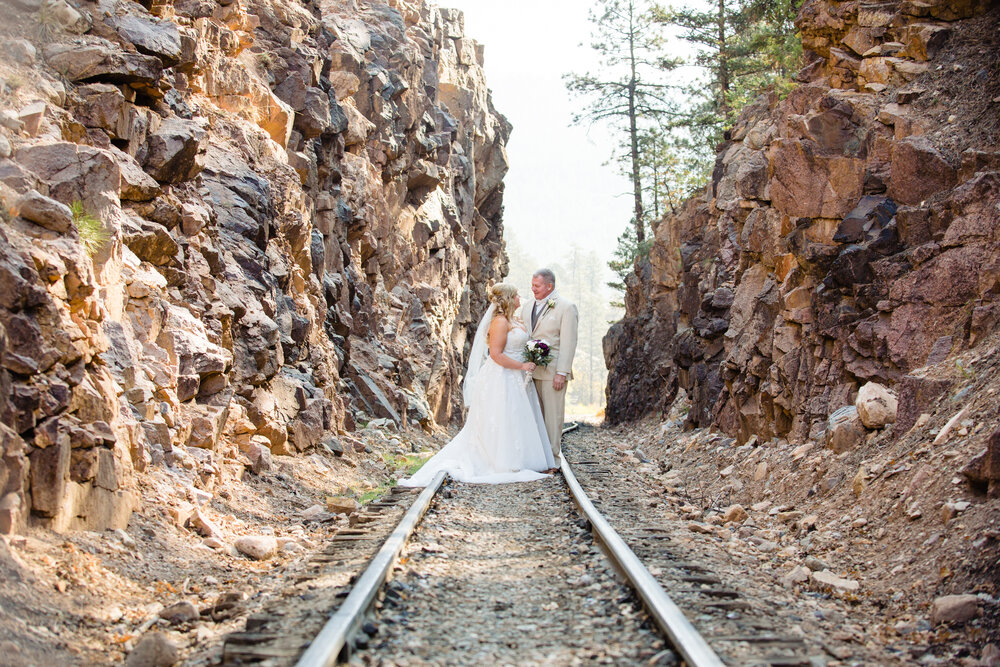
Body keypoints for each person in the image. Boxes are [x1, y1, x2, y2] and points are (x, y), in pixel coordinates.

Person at [399, 283, 556, 486]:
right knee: (502, 417)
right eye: (516, 295)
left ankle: (522, 458)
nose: (520, 298)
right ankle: (502, 461)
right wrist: (522, 365)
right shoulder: (499, 322)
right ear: (508, 298)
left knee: (517, 416)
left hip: (517, 377)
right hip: (502, 376)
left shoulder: (513, 321)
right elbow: (496, 355)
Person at [520, 268, 578, 459]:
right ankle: (537, 456)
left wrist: (562, 372)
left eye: (537, 286)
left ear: (549, 286)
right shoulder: (527, 306)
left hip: (553, 371)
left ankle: (553, 456)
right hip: (530, 371)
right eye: (532, 285)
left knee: (552, 417)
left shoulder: (566, 307)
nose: (533, 289)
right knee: (534, 416)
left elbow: (569, 342)